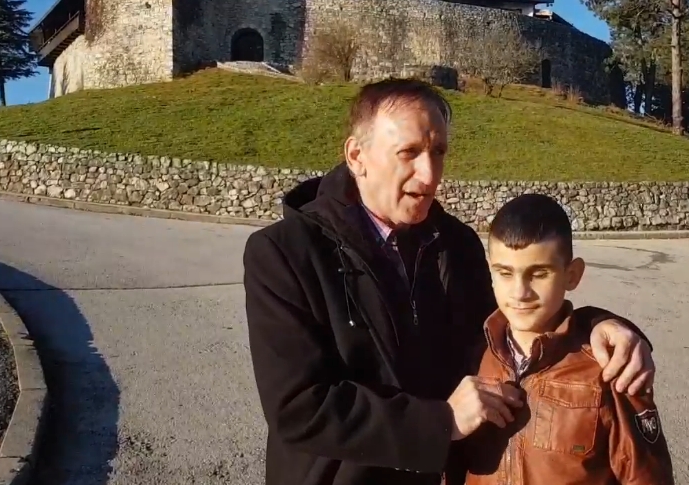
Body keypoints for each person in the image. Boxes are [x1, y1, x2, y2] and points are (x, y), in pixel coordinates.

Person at [242, 78, 657, 485]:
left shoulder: (456, 244)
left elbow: (509, 329)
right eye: (409, 152)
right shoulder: (283, 253)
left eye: (438, 151)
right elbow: (299, 408)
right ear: (357, 155)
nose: (429, 175)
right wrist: (441, 422)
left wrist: (595, 325)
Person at [458, 193, 674, 485]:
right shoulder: (473, 358)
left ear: (572, 275)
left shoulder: (608, 368)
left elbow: (646, 476)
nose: (520, 293)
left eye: (539, 274)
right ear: (491, 274)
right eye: (505, 273)